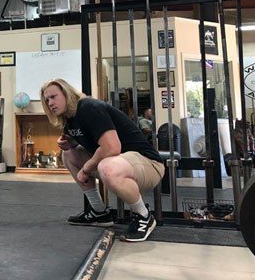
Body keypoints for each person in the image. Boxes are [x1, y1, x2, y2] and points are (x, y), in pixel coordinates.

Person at [40, 79, 165, 242]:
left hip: (149, 164)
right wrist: (69, 143)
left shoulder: (89, 107)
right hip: (122, 163)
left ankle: (144, 215)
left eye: (53, 97)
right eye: (47, 100)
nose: (50, 103)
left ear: (67, 93)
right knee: (69, 154)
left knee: (107, 166)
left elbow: (112, 148)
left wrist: (86, 169)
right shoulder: (69, 119)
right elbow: (89, 142)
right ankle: (99, 212)